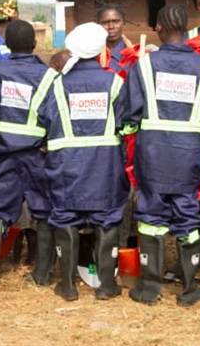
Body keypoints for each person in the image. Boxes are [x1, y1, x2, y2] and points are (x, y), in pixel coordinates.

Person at [124, 4, 200, 306]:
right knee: (188, 211)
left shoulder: (144, 65)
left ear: (159, 29)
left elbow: (130, 113)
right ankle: (189, 289)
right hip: (191, 151)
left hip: (152, 151)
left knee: (151, 215)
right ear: (188, 29)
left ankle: (150, 288)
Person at [37, 22, 130, 301]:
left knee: (65, 216)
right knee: (107, 218)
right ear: (102, 50)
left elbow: (43, 118)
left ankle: (67, 285)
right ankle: (105, 285)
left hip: (66, 164)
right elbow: (126, 123)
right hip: (105, 166)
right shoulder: (115, 82)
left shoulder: (56, 85)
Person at [0, 19, 59, 291]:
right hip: (37, 154)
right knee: (44, 212)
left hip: (2, 154)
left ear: (6, 44)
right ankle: (42, 274)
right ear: (35, 43)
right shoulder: (49, 76)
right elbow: (55, 116)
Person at [96, 4, 132, 73]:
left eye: (116, 21)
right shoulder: (92, 55)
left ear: (124, 24)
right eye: (105, 23)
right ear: (98, 26)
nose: (111, 27)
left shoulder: (137, 54)